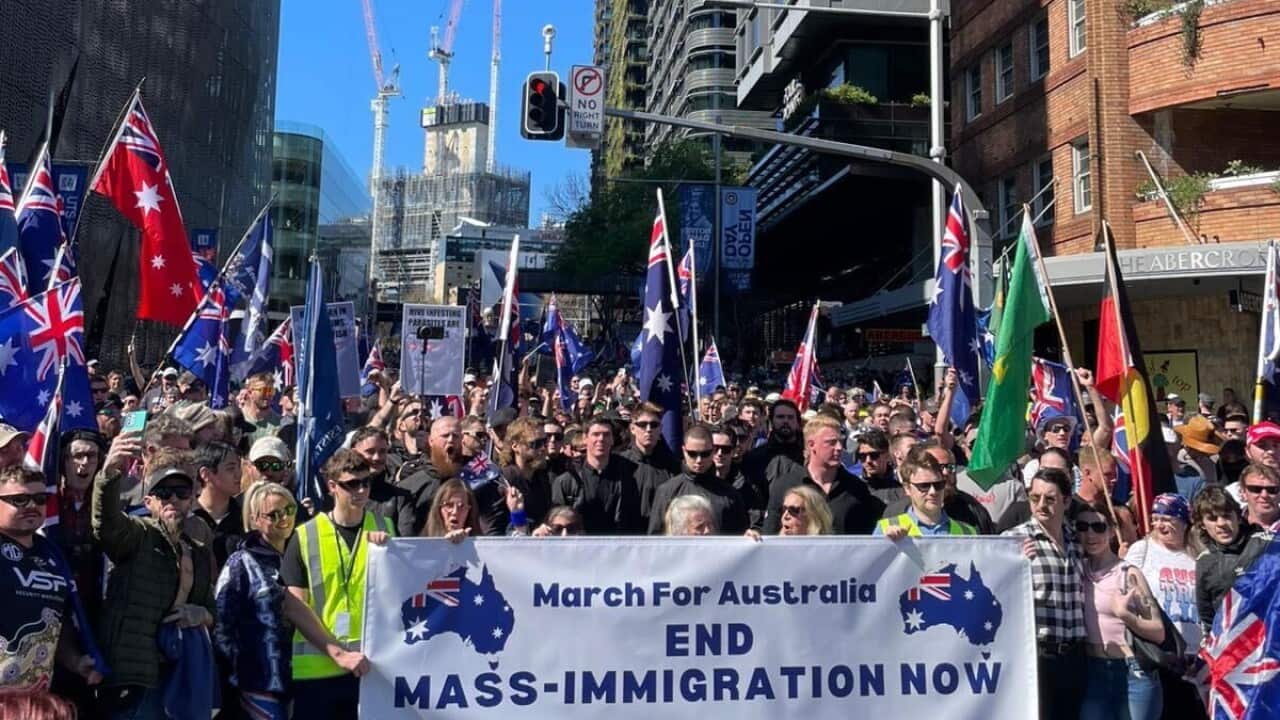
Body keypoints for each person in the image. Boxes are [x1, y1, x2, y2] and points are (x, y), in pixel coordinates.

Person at [215, 482, 370, 719]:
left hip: (302, 677)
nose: (284, 519)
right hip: (259, 684)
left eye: (289, 510)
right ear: (255, 519)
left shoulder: (303, 551)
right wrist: (237, 676)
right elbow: (222, 625)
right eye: (274, 514)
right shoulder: (241, 562)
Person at [92, 434, 217, 720]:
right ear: (148, 501)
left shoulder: (197, 551)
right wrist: (110, 472)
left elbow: (212, 611)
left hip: (181, 672)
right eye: (164, 492)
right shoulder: (139, 534)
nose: (173, 498)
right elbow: (106, 525)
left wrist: (200, 614)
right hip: (136, 677)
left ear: (193, 499)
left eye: (181, 492)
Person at [281, 450, 393, 719]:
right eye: (352, 484)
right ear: (332, 486)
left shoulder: (385, 528)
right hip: (318, 672)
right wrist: (339, 654)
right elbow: (295, 607)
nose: (361, 490)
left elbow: (414, 579)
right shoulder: (305, 535)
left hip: (371, 668)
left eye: (366, 482)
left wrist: (452, 544)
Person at [0, 467, 103, 700]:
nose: (31, 506)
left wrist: (77, 661)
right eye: (19, 499)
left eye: (39, 498)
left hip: (34, 701)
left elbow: (59, 621)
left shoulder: (52, 554)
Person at [1003, 467, 1086, 720]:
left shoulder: (1078, 540)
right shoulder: (1014, 541)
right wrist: (1012, 563)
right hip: (1039, 656)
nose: (1041, 505)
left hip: (1075, 657)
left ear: (1066, 501)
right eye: (1035, 497)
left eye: (1050, 499)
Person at [1076, 500, 1166, 720]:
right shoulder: (1076, 569)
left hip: (1132, 671)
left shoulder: (1128, 573)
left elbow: (1158, 631)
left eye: (1098, 527)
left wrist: (1126, 615)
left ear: (1112, 531)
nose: (1090, 534)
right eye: (1083, 527)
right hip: (1094, 670)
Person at [1123, 493, 1203, 719]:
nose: (1159, 524)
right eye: (1155, 518)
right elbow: (1128, 590)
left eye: (1167, 518)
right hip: (1160, 654)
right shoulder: (1142, 549)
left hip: (1195, 658)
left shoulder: (1197, 555)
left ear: (1184, 521)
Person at [765, 415, 884, 534]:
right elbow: (770, 534)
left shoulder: (856, 488)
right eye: (831, 443)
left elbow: (869, 538)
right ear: (812, 445)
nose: (839, 448)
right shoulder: (785, 485)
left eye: (840, 442)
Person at [551, 417, 649, 534]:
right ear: (585, 438)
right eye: (596, 434)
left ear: (612, 439)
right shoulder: (566, 481)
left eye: (606, 435)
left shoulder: (628, 477)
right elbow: (557, 524)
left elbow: (635, 521)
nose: (601, 439)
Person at [647, 425, 749, 535]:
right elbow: (655, 538)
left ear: (713, 451)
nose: (699, 460)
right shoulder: (667, 491)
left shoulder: (729, 494)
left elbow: (740, 537)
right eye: (693, 454)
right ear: (684, 451)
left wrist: (748, 537)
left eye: (705, 454)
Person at [1192, 486, 1263, 639]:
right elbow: (1207, 618)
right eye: (1212, 518)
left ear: (1238, 516)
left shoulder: (1265, 546)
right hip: (1232, 649)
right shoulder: (1205, 562)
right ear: (1202, 524)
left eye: (1226, 516)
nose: (1221, 523)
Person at [875, 453, 977, 538]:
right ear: (907, 489)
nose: (933, 491)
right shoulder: (885, 529)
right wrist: (887, 544)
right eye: (924, 486)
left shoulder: (968, 532)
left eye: (938, 485)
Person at [190, 441, 246, 569]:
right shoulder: (187, 515)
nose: (239, 474)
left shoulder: (245, 516)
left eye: (239, 467)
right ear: (206, 474)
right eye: (230, 468)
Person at [501, 417, 553, 527]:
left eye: (544, 442)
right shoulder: (504, 481)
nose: (543, 448)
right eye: (535, 444)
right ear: (515, 446)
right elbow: (493, 529)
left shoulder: (542, 478)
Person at [239, 373, 283, 444]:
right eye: (264, 390)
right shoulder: (239, 420)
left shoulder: (280, 424)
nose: (268, 394)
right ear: (250, 393)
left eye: (271, 391)